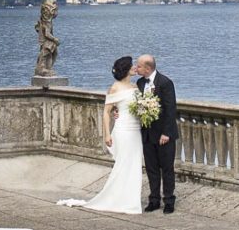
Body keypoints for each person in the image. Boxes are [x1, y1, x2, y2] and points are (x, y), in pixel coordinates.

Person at [56, 56, 144, 213]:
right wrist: (107, 134)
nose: (135, 67)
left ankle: (130, 199)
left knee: (135, 164)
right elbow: (106, 112)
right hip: (123, 130)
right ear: (126, 69)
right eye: (132, 66)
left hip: (135, 130)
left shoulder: (136, 86)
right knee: (123, 164)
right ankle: (119, 199)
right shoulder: (115, 88)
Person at [135, 54, 178, 213]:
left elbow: (170, 109)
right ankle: (154, 199)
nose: (136, 68)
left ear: (148, 67)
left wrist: (166, 133)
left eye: (138, 66)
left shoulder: (165, 83)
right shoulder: (139, 83)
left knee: (167, 168)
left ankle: (169, 200)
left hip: (164, 135)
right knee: (151, 168)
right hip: (147, 134)